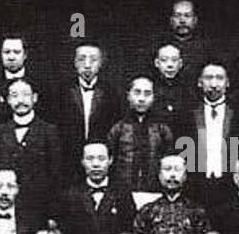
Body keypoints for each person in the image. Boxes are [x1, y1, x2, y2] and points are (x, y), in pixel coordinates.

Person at [0, 78, 64, 220]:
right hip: (7, 209)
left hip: (39, 211)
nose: (20, 100)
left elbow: (56, 175)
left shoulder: (49, 132)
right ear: (8, 100)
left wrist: (53, 214)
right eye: (14, 96)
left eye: (25, 95)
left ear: (35, 98)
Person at [58, 141, 137, 234]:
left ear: (110, 160)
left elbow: (129, 231)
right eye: (90, 159)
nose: (95, 164)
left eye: (101, 159)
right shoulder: (70, 194)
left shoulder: (122, 193)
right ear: (82, 161)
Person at [51, 42, 123, 182]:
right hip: (68, 162)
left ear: (101, 63)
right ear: (75, 62)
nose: (87, 65)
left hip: (99, 163)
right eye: (82, 59)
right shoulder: (61, 91)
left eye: (93, 60)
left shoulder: (111, 93)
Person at [108, 74, 174, 210]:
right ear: (128, 95)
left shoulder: (162, 129)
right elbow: (110, 162)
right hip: (123, 195)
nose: (141, 98)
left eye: (147, 94)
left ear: (154, 97)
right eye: (137, 93)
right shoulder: (118, 128)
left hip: (156, 193)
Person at [180, 60, 235, 206]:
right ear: (199, 82)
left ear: (227, 83)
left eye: (219, 78)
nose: (214, 84)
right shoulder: (187, 114)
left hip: (230, 187)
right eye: (208, 78)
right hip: (196, 188)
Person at [0, 35, 33, 138]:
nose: (11, 57)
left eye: (16, 52)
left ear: (25, 55)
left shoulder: (38, 84)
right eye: (7, 52)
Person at [151, 42, 194, 129]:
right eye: (164, 60)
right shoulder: (149, 88)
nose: (170, 65)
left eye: (174, 60)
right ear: (156, 63)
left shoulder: (188, 90)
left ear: (180, 63)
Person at [163, 0, 208, 81]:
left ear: (195, 20)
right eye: (177, 16)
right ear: (171, 20)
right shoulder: (159, 46)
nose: (182, 20)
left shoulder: (206, 49)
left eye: (187, 16)